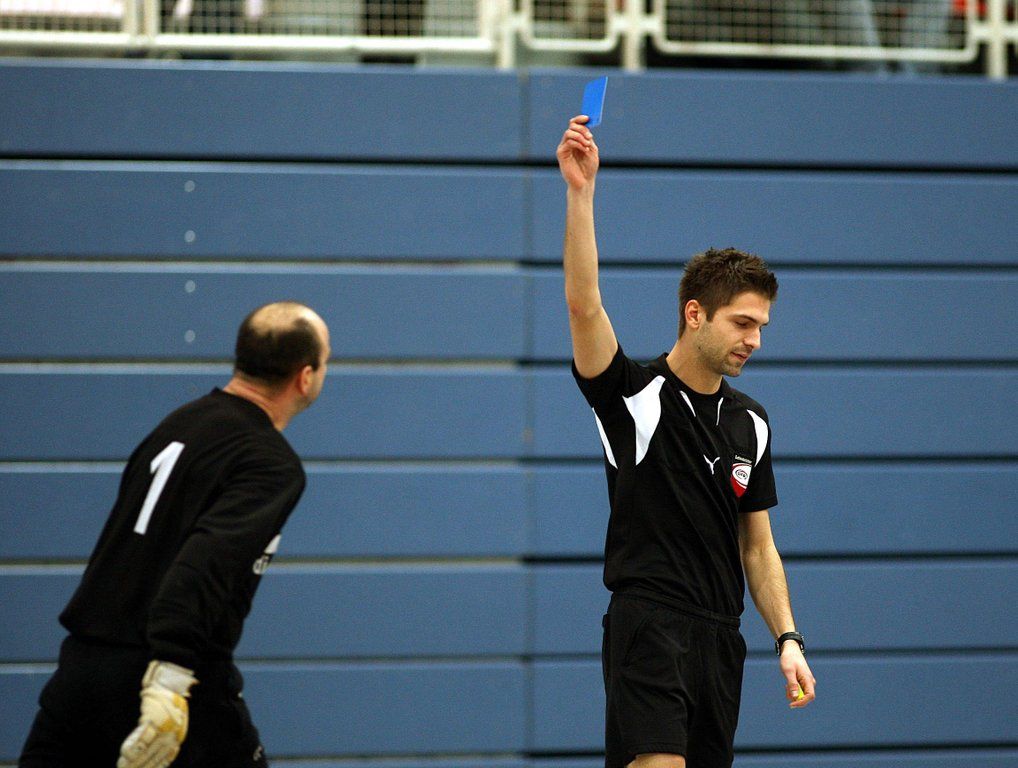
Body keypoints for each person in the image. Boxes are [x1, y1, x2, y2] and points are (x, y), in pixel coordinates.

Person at [556, 117, 816, 768]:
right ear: (694, 314)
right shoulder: (634, 395)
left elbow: (757, 547)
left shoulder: (751, 423)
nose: (755, 340)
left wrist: (787, 638)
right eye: (742, 323)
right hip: (649, 624)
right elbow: (585, 306)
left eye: (762, 326)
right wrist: (581, 194)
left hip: (721, 640)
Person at [19, 301, 331, 768]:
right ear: (305, 377)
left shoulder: (178, 423)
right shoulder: (269, 462)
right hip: (164, 675)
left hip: (82, 671)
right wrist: (169, 680)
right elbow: (205, 563)